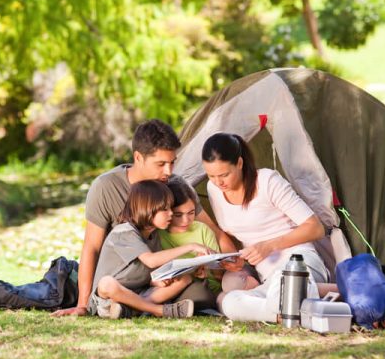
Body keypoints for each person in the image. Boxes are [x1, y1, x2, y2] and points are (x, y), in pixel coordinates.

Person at [52, 119, 236, 317]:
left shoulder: (175, 184)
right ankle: (145, 307)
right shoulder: (106, 188)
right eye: (161, 164)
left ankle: (132, 307)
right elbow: (92, 247)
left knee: (200, 295)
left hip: (156, 280)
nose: (169, 171)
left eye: (172, 162)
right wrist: (83, 305)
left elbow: (214, 231)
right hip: (122, 278)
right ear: (138, 158)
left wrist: (235, 267)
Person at [201, 132, 327, 322]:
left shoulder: (267, 181)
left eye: (224, 174)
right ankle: (284, 311)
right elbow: (237, 234)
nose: (219, 182)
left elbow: (315, 228)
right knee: (229, 301)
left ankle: (289, 304)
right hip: (267, 278)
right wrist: (237, 260)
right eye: (211, 176)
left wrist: (269, 246)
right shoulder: (214, 190)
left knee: (280, 287)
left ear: (240, 164)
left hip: (299, 263)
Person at [88, 180, 213, 319]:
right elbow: (151, 261)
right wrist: (191, 246)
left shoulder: (153, 235)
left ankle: (132, 310)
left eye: (171, 208)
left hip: (140, 294)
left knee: (185, 279)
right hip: (109, 298)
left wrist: (159, 279)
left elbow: (150, 271)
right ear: (147, 208)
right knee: (106, 283)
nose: (171, 213)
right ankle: (159, 310)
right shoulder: (123, 232)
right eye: (165, 209)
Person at [158, 179, 259, 311]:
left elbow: (219, 273)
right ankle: (238, 300)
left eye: (191, 213)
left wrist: (210, 267)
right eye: (178, 215)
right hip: (194, 287)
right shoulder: (161, 235)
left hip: (220, 282)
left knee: (232, 283)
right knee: (221, 300)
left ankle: (254, 288)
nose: (186, 220)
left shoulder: (201, 229)